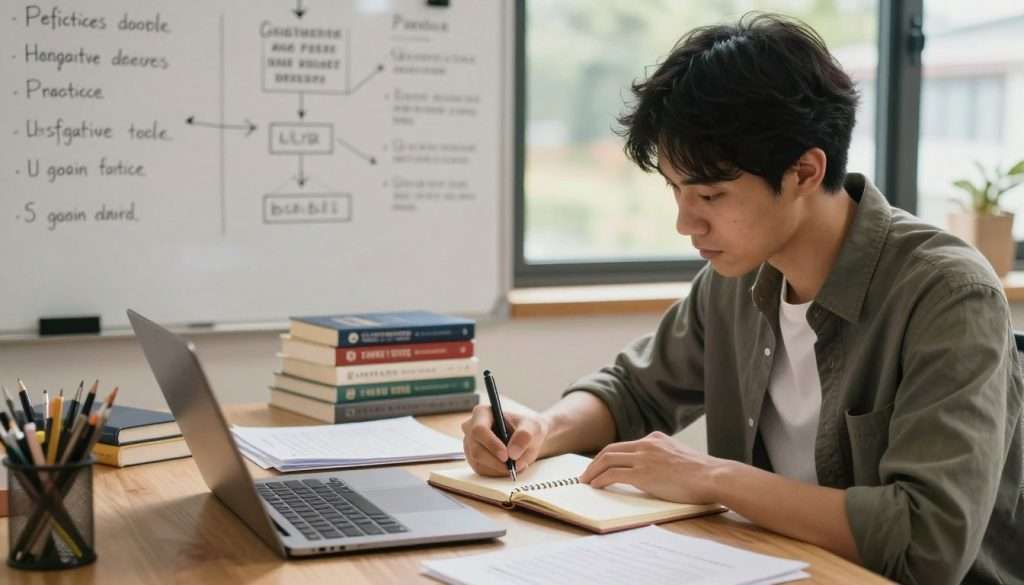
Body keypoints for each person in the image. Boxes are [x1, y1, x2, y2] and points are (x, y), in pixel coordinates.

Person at [461, 12, 1023, 585]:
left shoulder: (949, 296)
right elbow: (634, 392)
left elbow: (927, 541)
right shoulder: (735, 279)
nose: (685, 223)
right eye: (676, 190)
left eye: (710, 193)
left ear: (805, 171)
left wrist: (711, 477)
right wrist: (539, 428)